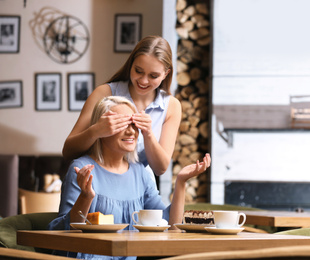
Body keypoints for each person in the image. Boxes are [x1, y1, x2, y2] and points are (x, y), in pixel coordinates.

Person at [48, 96, 211, 259]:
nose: (131, 131)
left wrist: (181, 182)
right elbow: (64, 234)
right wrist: (86, 197)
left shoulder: (140, 173)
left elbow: (170, 226)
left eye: (134, 124)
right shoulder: (82, 168)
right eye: (122, 124)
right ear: (102, 128)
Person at [62, 35, 181, 179]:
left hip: (139, 185)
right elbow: (68, 151)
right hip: (97, 180)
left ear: (166, 74)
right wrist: (96, 131)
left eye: (153, 76)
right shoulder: (104, 93)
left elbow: (161, 168)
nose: (143, 81)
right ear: (131, 64)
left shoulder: (172, 106)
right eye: (138, 71)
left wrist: (148, 134)